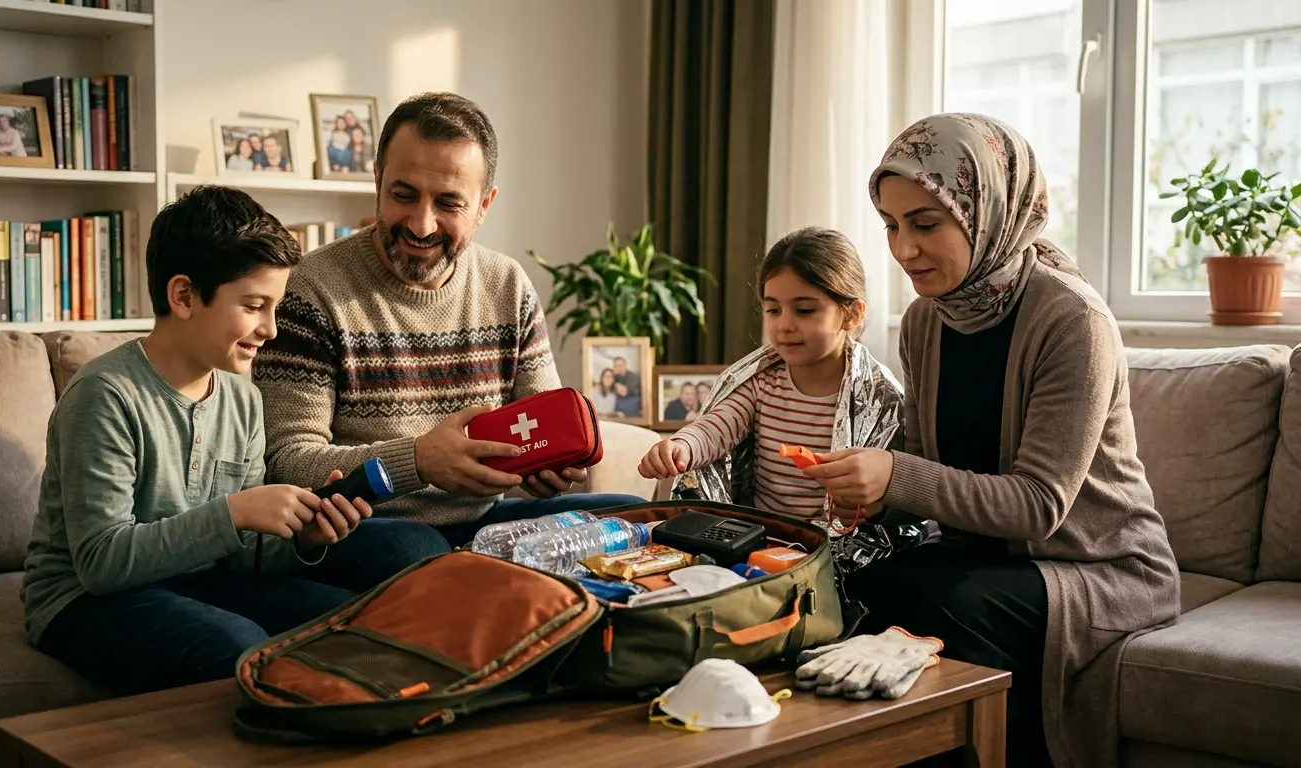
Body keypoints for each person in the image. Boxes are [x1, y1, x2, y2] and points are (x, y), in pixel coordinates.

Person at [801, 113, 1180, 767]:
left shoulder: (1073, 322)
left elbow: (1038, 506)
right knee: (836, 582)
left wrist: (894, 475)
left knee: (954, 606)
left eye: (925, 224)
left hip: (1100, 567)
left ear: (990, 212)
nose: (903, 249)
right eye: (891, 225)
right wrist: (869, 497)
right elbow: (922, 457)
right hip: (991, 557)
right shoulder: (926, 320)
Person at [21, 185, 390, 696]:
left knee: (351, 623)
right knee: (234, 645)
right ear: (184, 296)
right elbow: (102, 563)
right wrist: (235, 512)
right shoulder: (104, 396)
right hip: (80, 598)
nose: (270, 328)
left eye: (275, 307)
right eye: (254, 306)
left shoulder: (243, 399)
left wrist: (306, 538)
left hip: (195, 579)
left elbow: (240, 556)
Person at [253, 91, 644, 561]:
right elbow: (287, 463)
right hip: (373, 526)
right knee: (418, 550)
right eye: (403, 195)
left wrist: (548, 467)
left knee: (632, 516)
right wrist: (417, 462)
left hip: (482, 522)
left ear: (484, 205)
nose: (421, 224)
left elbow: (538, 424)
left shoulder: (507, 286)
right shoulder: (311, 290)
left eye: (448, 203)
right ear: (376, 181)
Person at [637, 226, 905, 526]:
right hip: (764, 538)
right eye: (773, 309)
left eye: (803, 310)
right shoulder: (763, 382)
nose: (784, 325)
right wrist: (681, 446)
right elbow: (716, 427)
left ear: (852, 314)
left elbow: (894, 494)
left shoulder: (879, 398)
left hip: (831, 552)